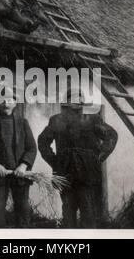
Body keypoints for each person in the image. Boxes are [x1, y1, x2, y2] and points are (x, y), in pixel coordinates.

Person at [38, 89, 118, 228]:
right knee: (68, 214)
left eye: (80, 97)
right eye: (73, 97)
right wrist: (55, 162)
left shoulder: (93, 119)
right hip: (65, 175)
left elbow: (111, 135)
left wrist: (99, 157)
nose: (77, 100)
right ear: (66, 101)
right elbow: (42, 142)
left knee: (89, 214)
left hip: (87, 175)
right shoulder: (57, 120)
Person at [0, 87, 37, 227]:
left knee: (23, 211)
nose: (6, 103)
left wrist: (23, 165)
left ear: (15, 102)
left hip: (19, 175)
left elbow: (32, 148)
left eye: (10, 100)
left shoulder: (23, 123)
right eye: (3, 100)